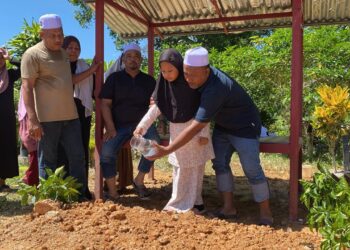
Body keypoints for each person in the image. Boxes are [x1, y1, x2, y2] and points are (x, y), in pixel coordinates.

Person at [148, 47, 273, 225]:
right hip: (223, 126)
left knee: (251, 168)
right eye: (185, 73)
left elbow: (197, 125)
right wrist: (157, 98)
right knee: (220, 164)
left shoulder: (216, 88)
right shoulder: (195, 76)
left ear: (207, 71)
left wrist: (168, 149)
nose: (188, 78)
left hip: (245, 126)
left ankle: (266, 213)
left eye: (192, 75)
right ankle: (228, 208)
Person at [134, 48, 214, 214]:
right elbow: (155, 110)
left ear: (179, 66)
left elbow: (204, 110)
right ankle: (177, 203)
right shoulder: (164, 88)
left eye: (171, 70)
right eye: (163, 71)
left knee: (197, 169)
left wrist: (204, 134)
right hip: (177, 132)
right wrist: (141, 127)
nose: (167, 75)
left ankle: (197, 202)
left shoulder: (192, 84)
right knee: (180, 169)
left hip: (196, 131)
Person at [21, 14, 86, 199]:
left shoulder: (64, 54)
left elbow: (68, 81)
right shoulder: (32, 54)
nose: (59, 39)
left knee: (77, 158)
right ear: (42, 34)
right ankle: (49, 198)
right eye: (53, 35)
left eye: (60, 34)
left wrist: (92, 70)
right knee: (48, 160)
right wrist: (33, 120)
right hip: (47, 120)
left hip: (71, 117)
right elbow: (27, 87)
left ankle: (79, 197)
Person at [99, 43, 160, 201]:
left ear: (141, 60)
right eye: (129, 57)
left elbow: (155, 106)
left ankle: (139, 181)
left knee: (154, 145)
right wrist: (111, 128)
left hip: (143, 125)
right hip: (119, 126)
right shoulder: (114, 79)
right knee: (106, 152)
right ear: (123, 60)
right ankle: (112, 192)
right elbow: (104, 104)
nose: (133, 60)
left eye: (136, 57)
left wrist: (152, 125)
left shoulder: (148, 81)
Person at [62, 35, 102, 199]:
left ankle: (82, 189)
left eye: (77, 48)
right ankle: (65, 188)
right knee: (64, 151)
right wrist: (92, 69)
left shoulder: (83, 65)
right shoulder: (59, 66)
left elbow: (93, 92)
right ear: (63, 49)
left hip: (82, 113)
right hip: (63, 112)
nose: (73, 51)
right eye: (70, 47)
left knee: (82, 150)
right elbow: (70, 81)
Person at [0, 48, 20, 191]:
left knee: (5, 148)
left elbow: (24, 66)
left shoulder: (10, 75)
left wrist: (10, 57)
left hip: (6, 120)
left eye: (1, 57)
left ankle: (1, 182)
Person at [18, 87, 39, 186]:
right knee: (34, 152)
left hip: (34, 116)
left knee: (35, 153)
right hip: (28, 117)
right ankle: (31, 178)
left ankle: (31, 178)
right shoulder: (26, 85)